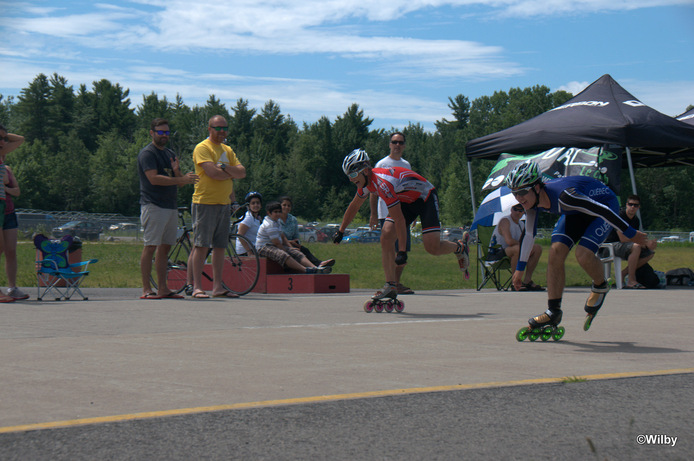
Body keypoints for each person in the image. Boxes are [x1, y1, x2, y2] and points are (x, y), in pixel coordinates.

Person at [505, 161, 648, 331]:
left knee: (583, 253)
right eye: (514, 193)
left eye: (522, 192)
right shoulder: (531, 205)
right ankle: (553, 311)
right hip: (575, 211)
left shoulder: (565, 196)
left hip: (603, 205)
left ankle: (601, 285)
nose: (519, 198)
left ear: (537, 187)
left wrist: (631, 233)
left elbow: (602, 211)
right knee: (556, 251)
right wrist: (520, 269)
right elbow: (529, 235)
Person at [333, 149, 470, 301]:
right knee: (386, 236)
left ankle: (460, 247)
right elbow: (355, 205)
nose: (351, 180)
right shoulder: (365, 182)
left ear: (365, 171)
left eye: (352, 175)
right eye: (348, 176)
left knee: (432, 247)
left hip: (425, 197)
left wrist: (402, 251)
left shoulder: (383, 184)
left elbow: (399, 220)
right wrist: (341, 230)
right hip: (406, 199)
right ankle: (390, 285)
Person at [137, 118, 198, 299]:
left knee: (165, 249)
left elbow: (178, 182)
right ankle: (146, 289)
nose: (164, 136)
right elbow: (154, 178)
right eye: (160, 132)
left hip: (171, 207)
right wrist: (181, 179)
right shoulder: (147, 154)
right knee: (150, 246)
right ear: (152, 133)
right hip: (153, 205)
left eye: (167, 132)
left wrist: (178, 172)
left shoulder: (170, 153)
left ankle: (163, 288)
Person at [189, 115, 246, 299]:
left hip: (224, 204)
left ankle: (218, 287)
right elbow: (212, 173)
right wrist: (229, 172)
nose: (222, 132)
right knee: (201, 245)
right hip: (205, 202)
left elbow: (242, 172)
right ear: (209, 129)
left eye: (225, 128)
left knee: (220, 246)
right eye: (217, 128)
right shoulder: (202, 148)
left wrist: (224, 169)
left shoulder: (227, 150)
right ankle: (197, 287)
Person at [369, 132, 414, 295]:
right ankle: (391, 283)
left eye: (401, 142)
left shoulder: (406, 165)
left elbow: (410, 190)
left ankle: (396, 283)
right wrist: (373, 213)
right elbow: (373, 191)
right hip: (386, 213)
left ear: (404, 145)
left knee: (403, 251)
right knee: (390, 249)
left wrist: (412, 213)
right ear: (389, 144)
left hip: (403, 213)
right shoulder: (382, 163)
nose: (397, 145)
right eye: (394, 142)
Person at [256, 201, 332, 274]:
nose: (278, 214)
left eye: (279, 212)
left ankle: (315, 268)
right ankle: (305, 270)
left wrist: (290, 248)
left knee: (296, 252)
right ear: (269, 213)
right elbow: (277, 243)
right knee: (283, 255)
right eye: (275, 212)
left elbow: (282, 236)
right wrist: (286, 251)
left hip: (274, 245)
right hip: (264, 247)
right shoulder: (269, 224)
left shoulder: (277, 221)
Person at [603, 194, 657, 288]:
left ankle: (623, 274)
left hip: (625, 246)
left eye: (635, 205)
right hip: (610, 245)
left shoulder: (636, 220)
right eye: (630, 204)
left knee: (650, 253)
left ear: (638, 207)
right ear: (626, 204)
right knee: (636, 247)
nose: (632, 207)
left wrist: (647, 245)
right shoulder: (619, 216)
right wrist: (643, 243)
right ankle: (631, 280)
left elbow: (634, 238)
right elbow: (623, 239)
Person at [488, 204, 544, 291]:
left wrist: (527, 246)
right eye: (515, 209)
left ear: (523, 212)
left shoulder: (522, 224)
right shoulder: (505, 221)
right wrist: (525, 246)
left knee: (537, 248)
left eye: (521, 210)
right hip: (496, 253)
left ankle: (527, 281)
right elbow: (509, 241)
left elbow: (525, 240)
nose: (518, 212)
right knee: (518, 249)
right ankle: (515, 282)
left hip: (510, 251)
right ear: (511, 210)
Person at [0, 125, 27, 302]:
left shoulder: (4, 163)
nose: (3, 142)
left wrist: (3, 134)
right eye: (0, 139)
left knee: (10, 250)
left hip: (5, 207)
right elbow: (19, 140)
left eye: (4, 139)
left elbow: (20, 139)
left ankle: (12, 288)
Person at [279, 195, 335, 268]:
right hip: (281, 245)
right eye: (284, 205)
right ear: (279, 206)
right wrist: (289, 242)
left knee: (304, 250)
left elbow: (296, 236)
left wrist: (296, 243)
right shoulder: (276, 220)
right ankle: (316, 266)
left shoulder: (293, 220)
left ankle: (319, 264)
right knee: (298, 252)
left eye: (289, 206)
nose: (286, 207)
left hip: (293, 244)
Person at [235, 191, 263, 256]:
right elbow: (240, 235)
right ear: (249, 205)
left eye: (258, 203)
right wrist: (249, 252)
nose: (256, 205)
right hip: (245, 251)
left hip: (254, 247)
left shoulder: (257, 218)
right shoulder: (248, 218)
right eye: (253, 203)